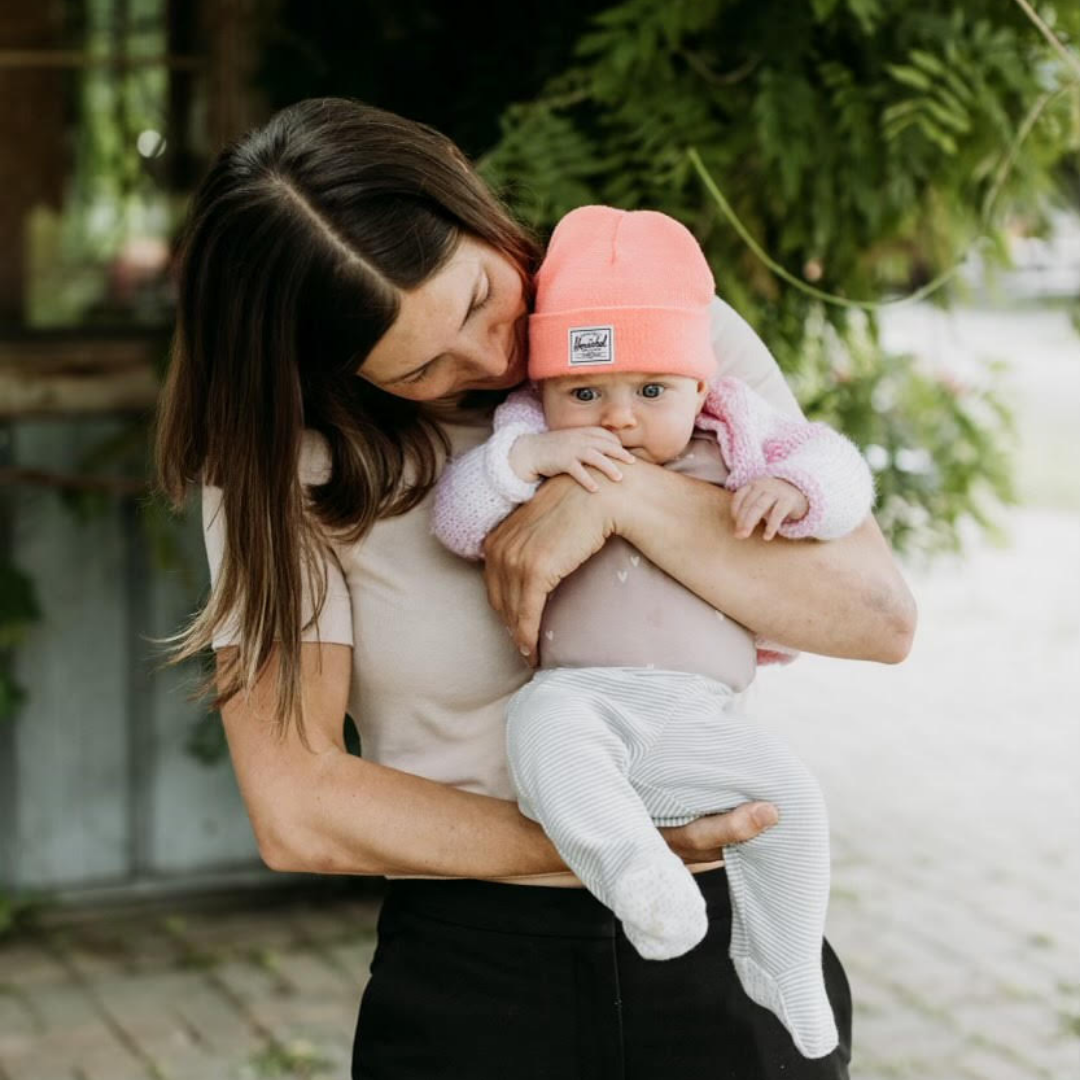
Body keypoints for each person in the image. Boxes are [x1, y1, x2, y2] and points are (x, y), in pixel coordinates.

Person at [155, 97, 916, 1080]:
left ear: (470, 201)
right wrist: (611, 846)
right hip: (478, 975)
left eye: (479, 297)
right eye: (422, 367)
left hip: (729, 957)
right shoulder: (282, 459)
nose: (491, 357)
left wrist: (616, 495)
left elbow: (876, 618)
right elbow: (299, 805)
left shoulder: (650, 323)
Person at [430, 205, 875, 1059]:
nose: (617, 419)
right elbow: (456, 519)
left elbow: (842, 468)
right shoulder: (530, 436)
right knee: (541, 736)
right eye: (584, 392)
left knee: (790, 800)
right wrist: (524, 463)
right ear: (546, 390)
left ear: (700, 387)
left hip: (698, 714)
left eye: (651, 390)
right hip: (582, 697)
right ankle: (638, 875)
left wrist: (800, 492)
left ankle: (781, 959)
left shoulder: (739, 432)